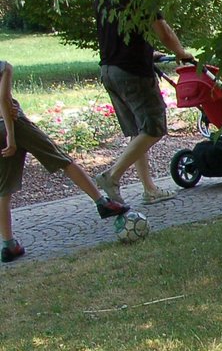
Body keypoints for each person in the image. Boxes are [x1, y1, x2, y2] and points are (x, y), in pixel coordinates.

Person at [0, 59, 130, 262]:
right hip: (15, 125)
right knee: (63, 160)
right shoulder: (4, 66)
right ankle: (102, 203)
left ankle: (9, 246)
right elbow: (4, 100)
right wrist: (11, 136)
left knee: (4, 189)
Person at [93, 0, 195, 205]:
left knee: (138, 132)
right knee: (154, 127)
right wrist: (181, 52)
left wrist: (148, 52)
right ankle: (112, 176)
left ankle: (149, 190)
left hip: (109, 71)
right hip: (133, 74)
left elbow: (118, 34)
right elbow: (164, 31)